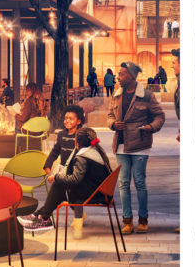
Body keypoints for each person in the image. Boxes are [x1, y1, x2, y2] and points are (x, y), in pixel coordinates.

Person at [19, 114, 113, 232]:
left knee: (59, 185)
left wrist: (57, 177)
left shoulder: (83, 157)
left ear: (77, 143)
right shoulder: (96, 151)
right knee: (60, 186)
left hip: (94, 194)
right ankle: (42, 216)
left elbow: (75, 180)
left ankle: (42, 218)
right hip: (98, 191)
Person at [109, 61, 167, 234]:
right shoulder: (117, 94)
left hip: (140, 144)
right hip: (120, 144)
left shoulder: (147, 95)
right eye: (119, 74)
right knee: (123, 183)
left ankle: (143, 220)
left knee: (140, 182)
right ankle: (127, 221)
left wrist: (151, 127)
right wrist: (112, 124)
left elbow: (159, 116)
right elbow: (109, 114)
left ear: (131, 76)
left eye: (122, 74)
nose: (118, 77)